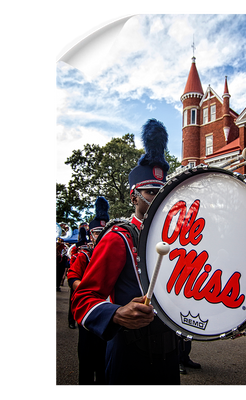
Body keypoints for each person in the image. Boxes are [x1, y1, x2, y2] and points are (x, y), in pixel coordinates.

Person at [71, 119, 180, 388]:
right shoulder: (118, 237)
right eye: (150, 192)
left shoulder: (176, 241)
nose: (157, 199)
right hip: (130, 354)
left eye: (162, 192)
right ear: (134, 196)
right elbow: (82, 299)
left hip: (169, 354)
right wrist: (116, 314)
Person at [68, 198, 110, 388]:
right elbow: (72, 276)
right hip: (88, 310)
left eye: (103, 233)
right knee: (86, 358)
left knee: (104, 359)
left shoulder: (111, 252)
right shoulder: (84, 255)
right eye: (96, 233)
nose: (99, 236)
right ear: (91, 235)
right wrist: (87, 292)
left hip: (106, 311)